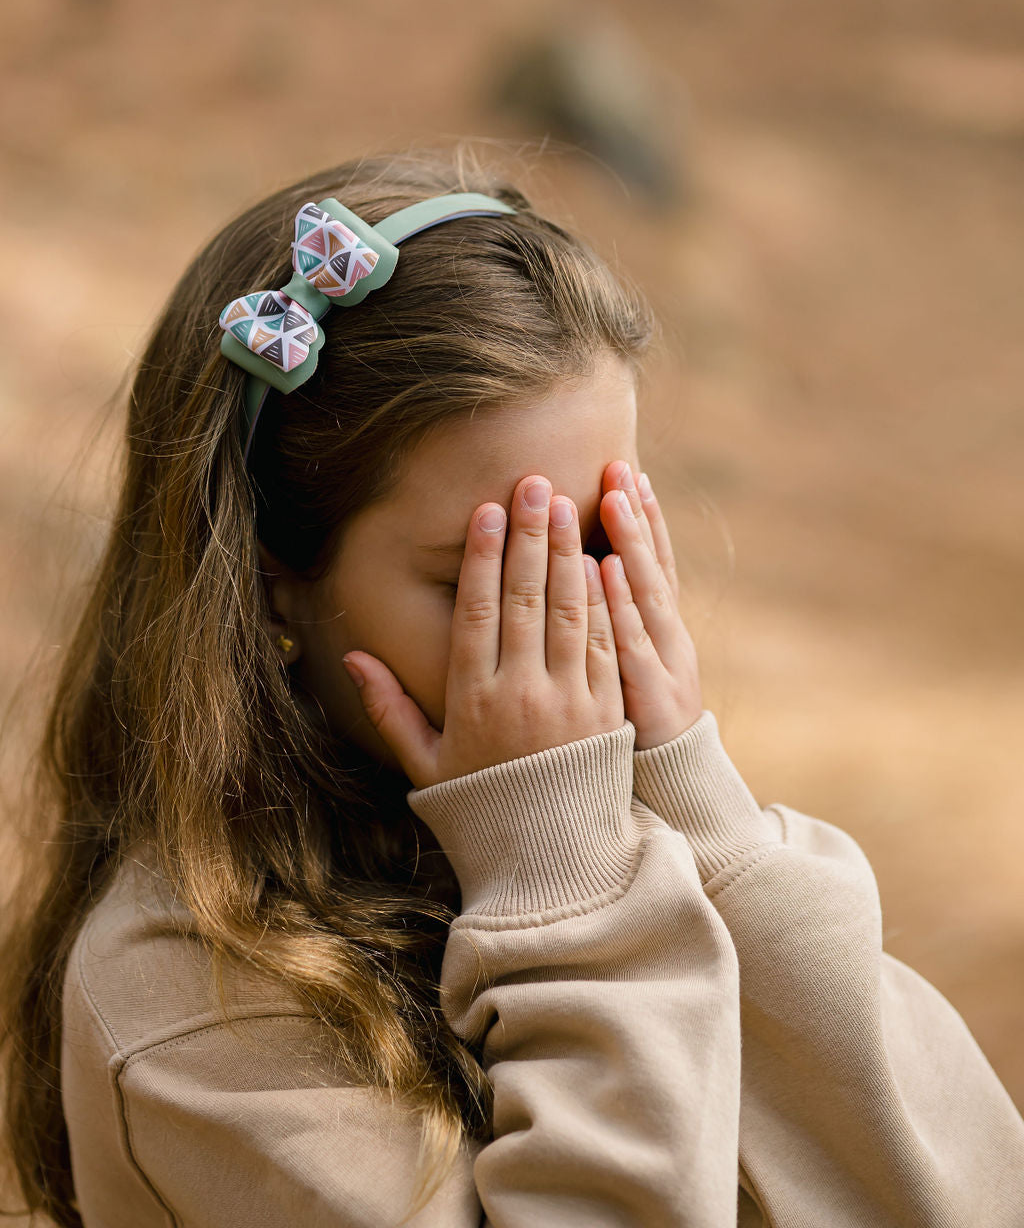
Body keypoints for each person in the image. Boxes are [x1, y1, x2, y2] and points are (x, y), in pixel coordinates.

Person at [3, 148, 1022, 1228]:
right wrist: (562, 891)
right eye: (484, 580)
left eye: (596, 549)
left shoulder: (624, 837)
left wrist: (707, 826)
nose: (569, 631)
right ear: (264, 589)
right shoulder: (181, 1007)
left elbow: (962, 1193)